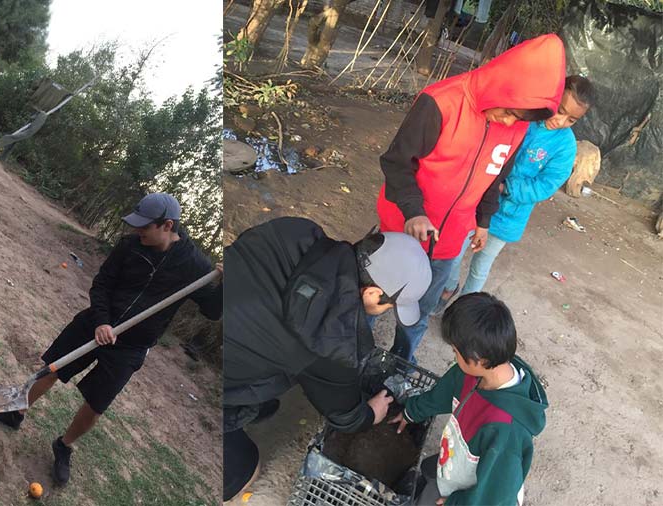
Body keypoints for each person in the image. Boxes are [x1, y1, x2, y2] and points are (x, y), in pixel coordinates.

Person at [0, 192, 223, 487]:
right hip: (96, 322)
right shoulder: (129, 246)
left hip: (132, 345)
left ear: (167, 225)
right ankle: (17, 412)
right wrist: (102, 321)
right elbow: (102, 284)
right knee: (54, 368)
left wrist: (226, 287)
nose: (137, 231)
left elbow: (213, 311)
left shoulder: (195, 266)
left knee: (96, 405)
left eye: (144, 227)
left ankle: (64, 445)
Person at [375, 34, 566, 362]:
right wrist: (414, 211)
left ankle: (399, 364)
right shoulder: (441, 102)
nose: (508, 122)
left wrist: (483, 222)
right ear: (499, 85)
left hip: (448, 241)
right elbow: (396, 162)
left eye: (517, 118)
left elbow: (496, 178)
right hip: (401, 230)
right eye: (507, 111)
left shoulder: (517, 126)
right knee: (375, 298)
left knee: (419, 312)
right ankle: (349, 355)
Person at [222, 217, 433, 502]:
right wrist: (370, 413)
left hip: (220, 312)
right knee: (244, 470)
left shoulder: (297, 229)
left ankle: (250, 403)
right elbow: (345, 417)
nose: (385, 312)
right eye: (390, 306)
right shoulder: (332, 338)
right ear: (371, 293)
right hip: (223, 371)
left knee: (280, 354)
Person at [433, 76, 595, 313]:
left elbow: (545, 186)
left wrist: (506, 187)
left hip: (508, 216)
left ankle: (465, 310)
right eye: (559, 110)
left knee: (481, 266)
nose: (560, 121)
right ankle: (448, 287)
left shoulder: (566, 146)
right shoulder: (524, 116)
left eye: (571, 119)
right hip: (476, 203)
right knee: (454, 252)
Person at [390, 293, 547, 505]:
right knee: (429, 471)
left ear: (480, 359)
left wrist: (454, 502)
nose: (454, 357)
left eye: (456, 351)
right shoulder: (472, 372)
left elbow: (495, 498)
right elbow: (442, 394)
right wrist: (412, 412)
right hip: (457, 463)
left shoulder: (506, 431)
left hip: (476, 496)